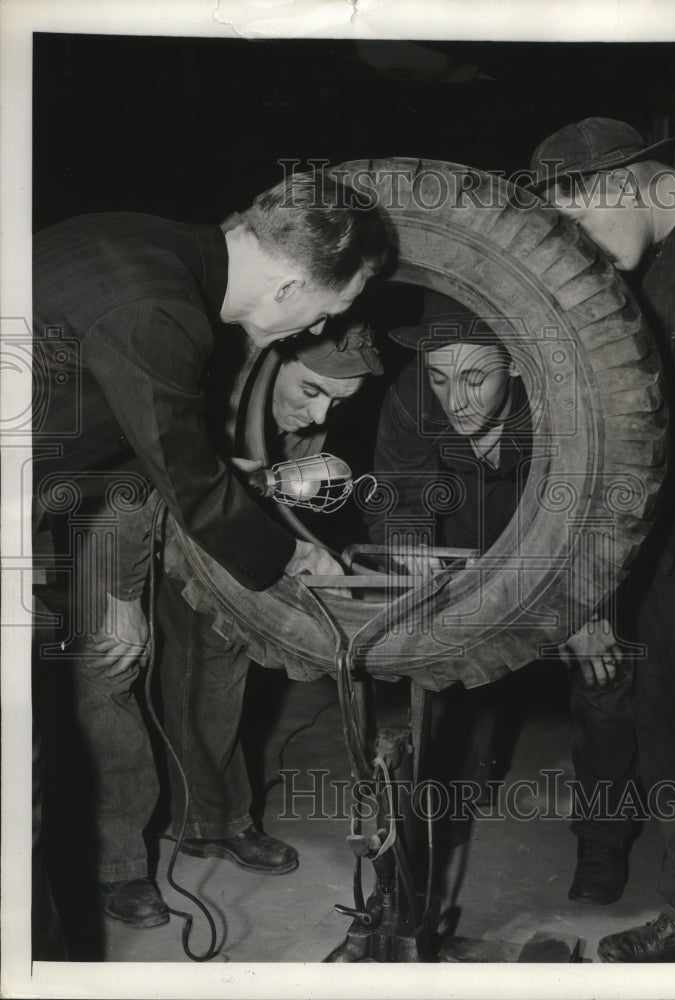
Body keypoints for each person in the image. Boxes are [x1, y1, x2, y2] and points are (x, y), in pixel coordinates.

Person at [32, 174, 390, 928]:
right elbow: (182, 466)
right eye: (327, 310)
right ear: (291, 282)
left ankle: (207, 822)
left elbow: (138, 448)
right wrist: (293, 557)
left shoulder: (145, 237)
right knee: (52, 736)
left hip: (65, 488)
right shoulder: (161, 306)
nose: (312, 330)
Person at [527, 117, 675, 961]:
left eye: (577, 222)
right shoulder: (632, 266)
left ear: (621, 182)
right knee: (670, 741)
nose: (580, 250)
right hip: (654, 542)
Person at [366, 291, 630, 891]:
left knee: (604, 676)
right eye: (438, 377)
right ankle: (453, 805)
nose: (454, 401)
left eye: (475, 378)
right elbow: (396, 487)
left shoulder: (566, 399)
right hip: (468, 548)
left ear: (515, 362)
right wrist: (407, 543)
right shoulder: (412, 394)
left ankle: (602, 841)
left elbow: (607, 509)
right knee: (449, 670)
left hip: (563, 550)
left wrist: (583, 605)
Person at [153, 323, 383, 904]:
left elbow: (292, 509)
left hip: (237, 533)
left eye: (338, 401)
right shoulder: (211, 387)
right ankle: (207, 825)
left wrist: (317, 558)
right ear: (271, 363)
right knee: (203, 659)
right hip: (153, 526)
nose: (320, 412)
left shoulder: (305, 423)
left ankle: (208, 817)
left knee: (224, 660)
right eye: (310, 391)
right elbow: (183, 491)